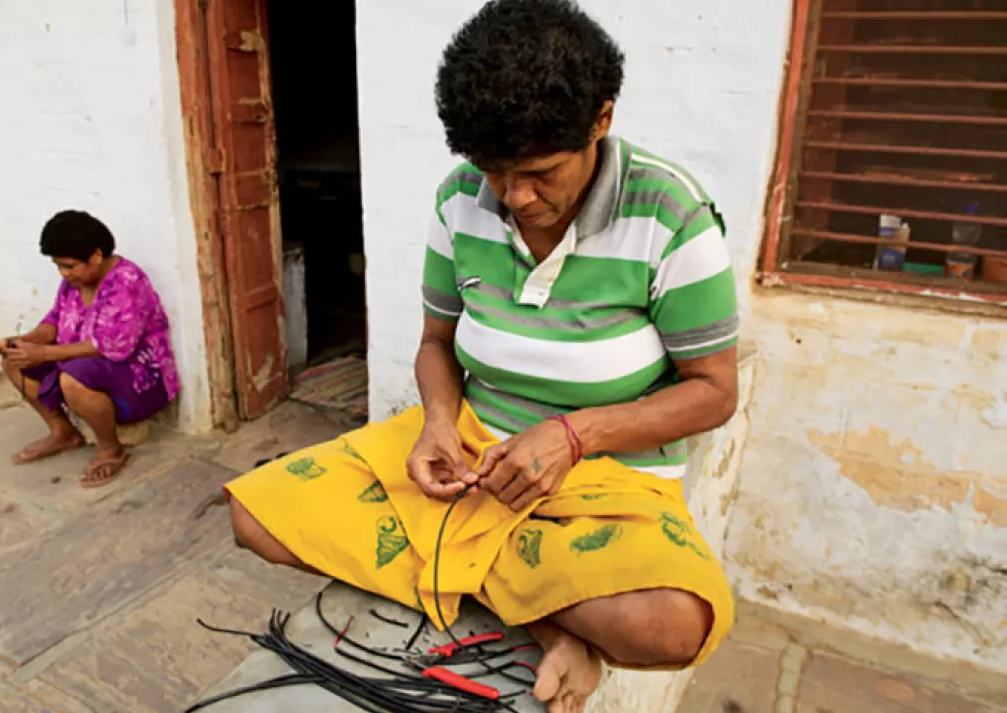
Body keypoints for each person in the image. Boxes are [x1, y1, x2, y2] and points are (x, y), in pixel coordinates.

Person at [224, 1, 740, 711]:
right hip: (472, 456)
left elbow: (714, 391)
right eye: (494, 171)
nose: (515, 196)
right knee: (256, 516)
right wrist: (438, 421)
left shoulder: (671, 213)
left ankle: (457, 564)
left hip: (603, 477)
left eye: (539, 172)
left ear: (601, 120)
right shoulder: (461, 200)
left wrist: (573, 433)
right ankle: (549, 617)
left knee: (675, 622)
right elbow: (437, 343)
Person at [0, 210, 179, 488]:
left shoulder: (126, 282)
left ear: (95, 256)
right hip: (88, 365)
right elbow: (54, 322)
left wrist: (44, 354)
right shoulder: (74, 282)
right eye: (59, 266)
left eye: (69, 266)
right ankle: (63, 433)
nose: (63, 273)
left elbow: (113, 347)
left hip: (139, 380)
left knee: (73, 378)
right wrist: (25, 342)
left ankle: (110, 449)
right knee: (14, 362)